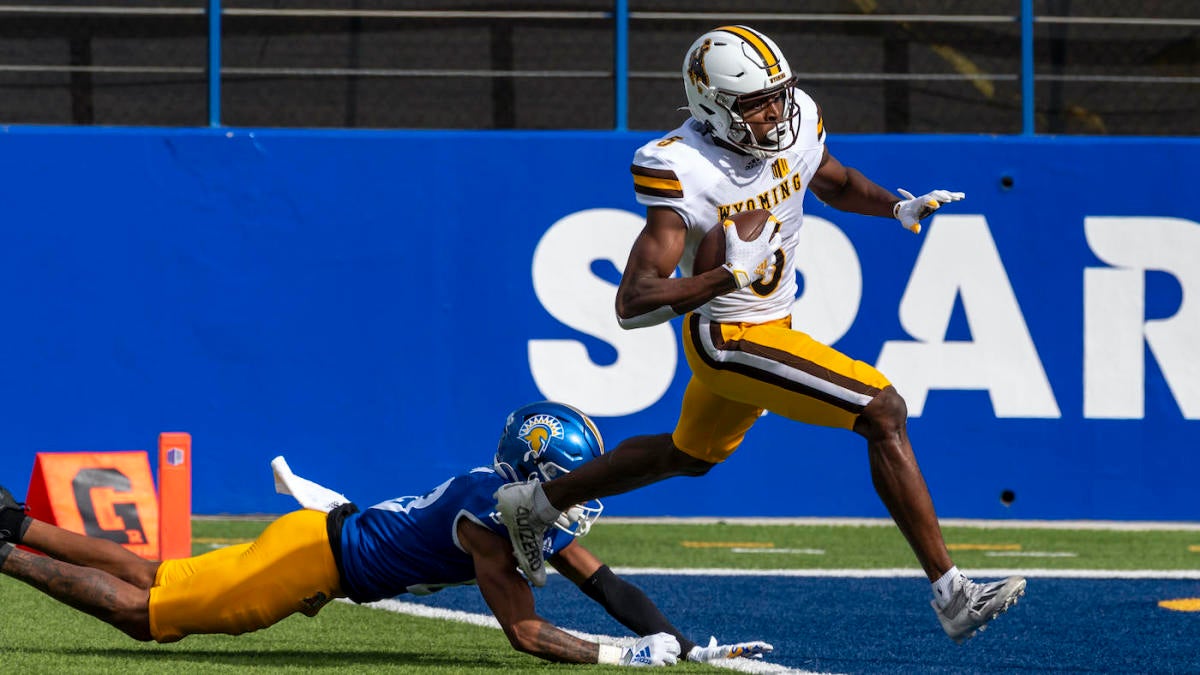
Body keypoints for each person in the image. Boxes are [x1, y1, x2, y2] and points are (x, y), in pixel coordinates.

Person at [496, 25, 1025, 644]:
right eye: (755, 103)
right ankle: (953, 595)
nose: (775, 112)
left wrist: (895, 208)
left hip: (773, 325)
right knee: (883, 409)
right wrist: (726, 275)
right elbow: (634, 301)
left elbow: (833, 180)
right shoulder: (682, 166)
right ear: (711, 105)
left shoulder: (796, 119)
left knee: (687, 456)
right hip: (730, 339)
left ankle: (535, 504)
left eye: (779, 95)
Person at [0, 401, 772, 667]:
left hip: (321, 539)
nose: (579, 498)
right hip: (314, 560)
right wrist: (621, 655)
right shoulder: (492, 525)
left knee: (162, 574)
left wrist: (683, 640)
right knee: (148, 615)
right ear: (532, 478)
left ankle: (16, 520)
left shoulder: (505, 496)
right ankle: (4, 549)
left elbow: (606, 583)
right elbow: (528, 633)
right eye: (569, 483)